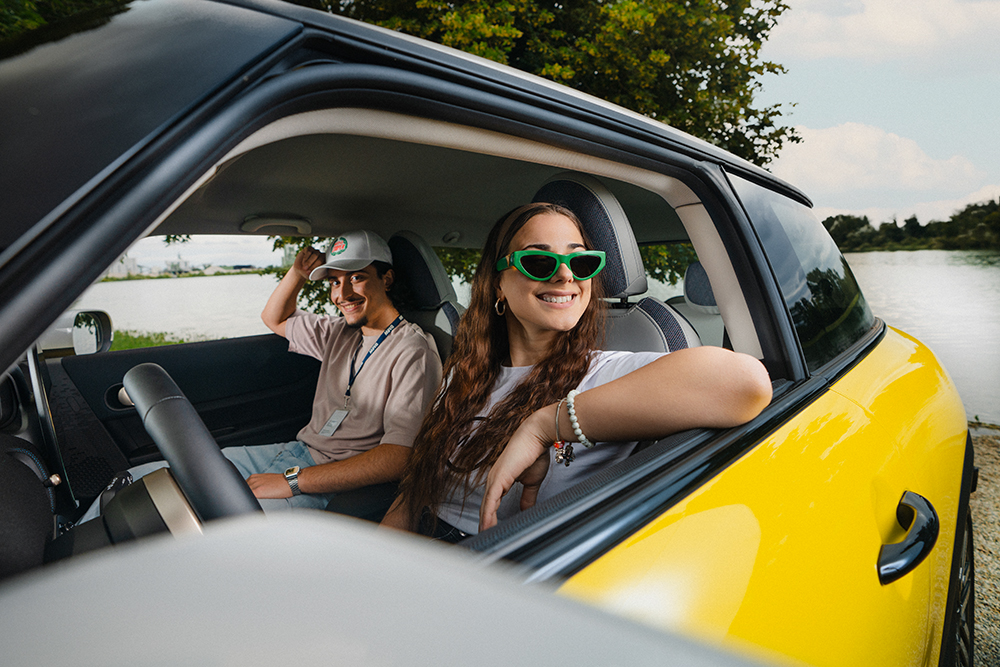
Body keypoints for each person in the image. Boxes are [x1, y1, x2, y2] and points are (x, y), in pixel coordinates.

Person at [380, 203, 772, 539]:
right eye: (539, 260)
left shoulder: (605, 375)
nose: (565, 274)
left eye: (580, 260)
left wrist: (545, 425)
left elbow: (745, 383)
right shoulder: (462, 373)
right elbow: (414, 492)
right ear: (498, 284)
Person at [80, 230, 442, 521]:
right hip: (296, 451)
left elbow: (399, 456)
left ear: (388, 278)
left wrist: (292, 482)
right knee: (143, 479)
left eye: (358, 278)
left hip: (335, 480)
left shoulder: (413, 350)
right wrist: (298, 274)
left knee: (218, 522)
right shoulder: (338, 332)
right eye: (334, 282)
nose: (341, 294)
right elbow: (275, 318)